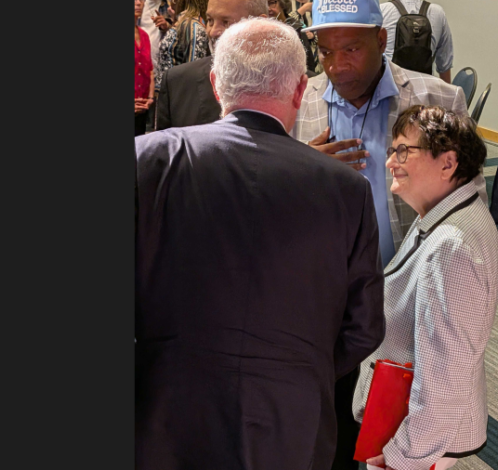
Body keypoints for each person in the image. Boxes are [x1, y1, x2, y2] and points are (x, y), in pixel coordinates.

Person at [135, 17, 385, 470]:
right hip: (293, 417)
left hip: (164, 409)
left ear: (216, 85)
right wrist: (299, 370)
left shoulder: (148, 158)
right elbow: (365, 326)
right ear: (298, 89)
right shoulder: (347, 189)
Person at [290, 3, 482, 468]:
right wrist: (303, 170)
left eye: (352, 48)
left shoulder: (439, 99)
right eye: (326, 51)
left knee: (393, 423)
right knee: (329, 420)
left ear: (381, 40)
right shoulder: (298, 101)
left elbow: (468, 206)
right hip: (327, 300)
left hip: (404, 298)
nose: (337, 65)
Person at [354, 105, 498, 470]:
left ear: (447, 164)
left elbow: (446, 375)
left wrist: (407, 456)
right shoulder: (445, 215)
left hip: (420, 443)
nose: (391, 162)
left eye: (405, 151)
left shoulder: (452, 245)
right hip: (415, 426)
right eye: (393, 150)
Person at [154, 0, 269, 131]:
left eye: (226, 22)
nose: (213, 32)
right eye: (210, 21)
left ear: (258, 23)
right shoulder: (178, 83)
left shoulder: (285, 82)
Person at [380, 0, 455, 83]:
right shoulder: (438, 13)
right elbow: (445, 66)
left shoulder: (382, 11)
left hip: (391, 90)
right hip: (426, 91)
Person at [155, 0, 210, 93]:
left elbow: (194, 73)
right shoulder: (184, 20)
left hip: (178, 96)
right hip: (167, 95)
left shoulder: (193, 25)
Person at [269, 0, 318, 77]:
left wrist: (313, 37)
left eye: (271, 3)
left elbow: (308, 63)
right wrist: (302, 10)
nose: (268, 8)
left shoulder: (296, 28)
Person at [135, 0, 156, 136]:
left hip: (142, 109)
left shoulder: (144, 35)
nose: (138, 3)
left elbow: (149, 70)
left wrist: (150, 98)